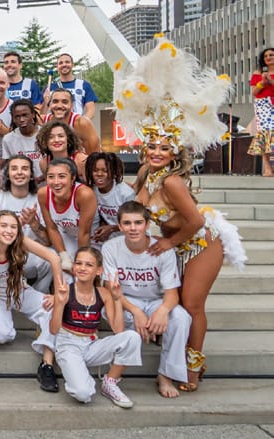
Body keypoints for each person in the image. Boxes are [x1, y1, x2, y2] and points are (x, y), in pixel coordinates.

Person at [114, 39, 247, 392]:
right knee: (180, 305)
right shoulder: (146, 173)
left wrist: (170, 243)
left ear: (175, 152)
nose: (156, 152)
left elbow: (197, 222)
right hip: (177, 244)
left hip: (201, 243)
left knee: (191, 305)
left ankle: (194, 366)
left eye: (164, 147)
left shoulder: (171, 182)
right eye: (152, 146)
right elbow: (134, 208)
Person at [102, 201, 191, 398]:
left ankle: (165, 375)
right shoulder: (111, 248)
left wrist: (162, 311)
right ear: (119, 226)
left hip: (155, 301)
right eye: (127, 223)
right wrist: (136, 312)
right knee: (108, 311)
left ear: (147, 224)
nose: (133, 228)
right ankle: (119, 366)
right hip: (126, 301)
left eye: (138, 223)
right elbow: (110, 289)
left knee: (181, 318)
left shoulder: (162, 249)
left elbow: (172, 293)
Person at [0, 211, 63, 393]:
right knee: (2, 336)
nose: (9, 230)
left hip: (19, 291)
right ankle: (4, 321)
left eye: (13, 227)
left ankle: (46, 365)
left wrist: (58, 293)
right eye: (4, 225)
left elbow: (54, 257)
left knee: (53, 310)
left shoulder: (20, 241)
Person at [52, 246, 141, 407]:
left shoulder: (103, 293)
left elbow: (118, 330)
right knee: (83, 393)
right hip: (68, 344)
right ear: (74, 267)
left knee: (132, 337)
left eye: (89, 265)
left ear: (99, 270)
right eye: (79, 263)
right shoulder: (66, 290)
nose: (82, 268)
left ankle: (110, 382)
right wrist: (59, 303)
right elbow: (53, 329)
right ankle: (79, 375)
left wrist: (117, 299)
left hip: (91, 344)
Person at [0, 156, 54, 294]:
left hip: (29, 254)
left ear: (31, 175)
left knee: (51, 255)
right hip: (2, 254)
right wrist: (11, 228)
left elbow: (48, 241)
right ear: (7, 174)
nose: (19, 172)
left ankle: (40, 295)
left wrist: (33, 223)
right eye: (14, 168)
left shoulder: (39, 199)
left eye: (24, 168)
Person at [38, 157, 99, 272]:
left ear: (73, 178)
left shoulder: (84, 194)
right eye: (51, 177)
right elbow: (52, 228)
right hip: (68, 237)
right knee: (63, 273)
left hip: (91, 239)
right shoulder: (43, 194)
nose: (56, 182)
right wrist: (64, 257)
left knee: (87, 272)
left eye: (62, 176)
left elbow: (84, 233)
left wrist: (80, 262)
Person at [85, 152, 135, 245]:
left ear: (114, 172)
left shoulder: (125, 193)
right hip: (107, 238)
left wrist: (112, 229)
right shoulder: (91, 191)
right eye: (95, 170)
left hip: (129, 237)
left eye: (105, 171)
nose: (99, 174)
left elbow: (134, 222)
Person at [42, 88, 100, 154]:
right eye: (55, 101)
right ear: (50, 104)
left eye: (64, 102)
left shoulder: (81, 123)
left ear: (71, 105)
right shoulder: (42, 121)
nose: (59, 106)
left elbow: (95, 156)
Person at [1, 99, 44, 182]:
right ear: (13, 118)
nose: (21, 119)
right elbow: (9, 166)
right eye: (17, 116)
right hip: (22, 185)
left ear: (33, 114)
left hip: (47, 184)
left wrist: (41, 178)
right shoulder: (8, 140)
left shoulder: (46, 134)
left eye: (25, 115)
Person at [45, 53, 97, 119]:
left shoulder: (84, 85)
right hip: (55, 124)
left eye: (67, 62)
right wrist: (45, 102)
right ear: (57, 67)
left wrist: (81, 122)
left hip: (76, 123)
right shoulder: (49, 87)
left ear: (73, 65)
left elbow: (91, 111)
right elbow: (42, 112)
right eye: (61, 63)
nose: (64, 65)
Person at [249, 47, 274, 176]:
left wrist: (271, 81)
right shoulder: (258, 73)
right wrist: (262, 83)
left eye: (271, 55)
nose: (268, 57)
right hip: (263, 106)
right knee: (265, 134)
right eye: (265, 56)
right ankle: (267, 167)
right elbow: (254, 92)